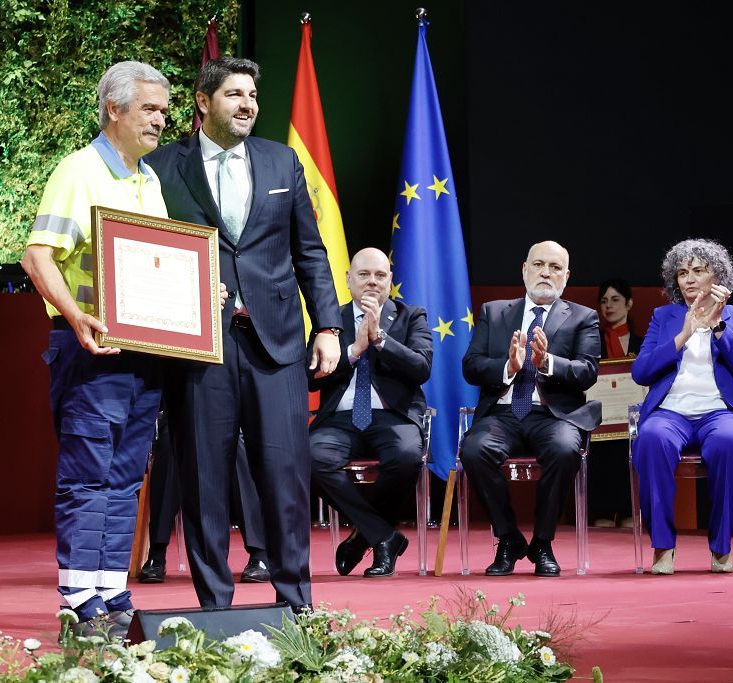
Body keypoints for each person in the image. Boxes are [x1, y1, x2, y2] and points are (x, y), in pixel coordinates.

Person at [145, 57, 341, 612]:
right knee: (204, 481)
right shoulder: (161, 168)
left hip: (277, 346)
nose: (248, 104)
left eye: (252, 94)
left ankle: (296, 605)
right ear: (203, 102)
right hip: (199, 346)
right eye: (234, 94)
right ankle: (214, 612)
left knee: (284, 478)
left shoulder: (282, 162)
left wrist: (327, 324)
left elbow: (310, 251)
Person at [22, 61, 183, 638]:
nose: (162, 120)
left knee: (124, 479)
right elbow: (37, 257)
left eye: (164, 110)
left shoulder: (150, 179)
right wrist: (75, 314)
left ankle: (112, 592)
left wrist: (197, 289)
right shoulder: (78, 171)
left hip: (142, 353)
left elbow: (160, 265)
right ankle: (77, 599)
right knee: (89, 476)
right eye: (150, 109)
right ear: (114, 110)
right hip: (90, 350)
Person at [460, 240, 601, 577]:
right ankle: (508, 538)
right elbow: (471, 365)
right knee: (474, 449)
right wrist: (507, 367)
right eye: (539, 265)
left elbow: (587, 371)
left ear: (566, 276)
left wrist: (547, 361)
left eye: (554, 268)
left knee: (566, 448)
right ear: (524, 269)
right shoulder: (494, 312)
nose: (545, 273)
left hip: (553, 415)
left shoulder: (583, 317)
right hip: (503, 413)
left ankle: (542, 541)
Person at [631, 238, 733, 575]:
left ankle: (721, 548)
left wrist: (718, 327)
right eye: (682, 272)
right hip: (669, 411)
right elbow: (641, 371)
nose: (688, 279)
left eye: (698, 270)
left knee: (729, 442)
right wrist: (683, 334)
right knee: (651, 439)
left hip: (722, 413)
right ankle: (663, 547)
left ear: (716, 276)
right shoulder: (664, 316)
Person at [308, 248, 433, 578]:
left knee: (407, 455)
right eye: (364, 275)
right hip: (340, 418)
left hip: (393, 416)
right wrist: (352, 351)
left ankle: (363, 538)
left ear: (390, 281)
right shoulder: (329, 322)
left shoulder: (411, 316)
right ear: (349, 279)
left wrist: (380, 340)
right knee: (311, 457)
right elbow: (310, 376)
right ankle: (384, 536)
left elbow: (421, 368)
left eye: (380, 275)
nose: (372, 282)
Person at [138, 421, 269, 585]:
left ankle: (259, 553)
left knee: (240, 445)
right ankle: (156, 554)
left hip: (230, 419)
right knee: (170, 442)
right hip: (185, 417)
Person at [590, 278, 644, 528]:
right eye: (604, 301)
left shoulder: (643, 343)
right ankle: (600, 512)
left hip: (634, 424)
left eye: (615, 300)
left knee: (635, 451)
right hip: (599, 424)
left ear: (629, 303)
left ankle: (630, 512)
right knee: (598, 450)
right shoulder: (590, 343)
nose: (609, 306)